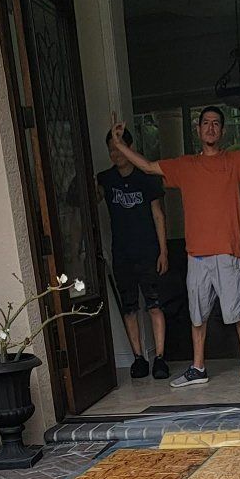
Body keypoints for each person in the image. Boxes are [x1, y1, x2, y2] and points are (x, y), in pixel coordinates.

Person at [109, 98, 240, 388]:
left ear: (222, 132)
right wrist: (119, 146)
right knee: (198, 315)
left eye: (216, 123)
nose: (210, 127)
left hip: (228, 252)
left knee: (239, 312)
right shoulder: (185, 165)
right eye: (205, 122)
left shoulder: (234, 161)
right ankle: (198, 368)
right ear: (198, 129)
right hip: (197, 256)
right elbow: (147, 166)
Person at [96, 126, 170, 381]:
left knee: (154, 304)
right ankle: (138, 358)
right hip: (122, 253)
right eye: (111, 150)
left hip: (148, 251)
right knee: (129, 307)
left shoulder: (147, 178)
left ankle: (160, 358)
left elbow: (158, 215)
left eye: (119, 148)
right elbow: (82, 200)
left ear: (129, 148)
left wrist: (164, 251)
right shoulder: (105, 180)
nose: (115, 154)